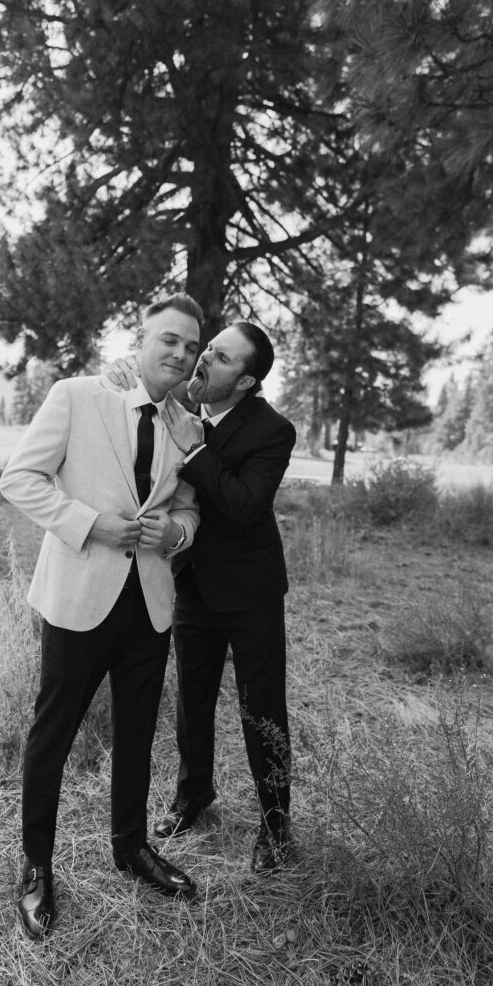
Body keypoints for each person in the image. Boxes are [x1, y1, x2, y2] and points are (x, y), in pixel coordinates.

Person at [0, 294, 204, 940]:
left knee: (138, 735)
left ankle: (130, 847)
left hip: (147, 604)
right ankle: (35, 867)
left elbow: (191, 510)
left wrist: (172, 531)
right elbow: (21, 478)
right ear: (139, 341)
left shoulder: (189, 428)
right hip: (77, 598)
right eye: (167, 339)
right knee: (51, 736)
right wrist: (91, 524)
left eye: (190, 347)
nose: (178, 353)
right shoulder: (77, 396)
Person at [104, 321, 296, 873]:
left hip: (251, 591)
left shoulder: (272, 431)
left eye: (220, 356)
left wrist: (194, 452)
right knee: (192, 698)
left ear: (246, 381)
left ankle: (276, 824)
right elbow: (130, 390)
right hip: (190, 585)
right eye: (206, 347)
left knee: (262, 709)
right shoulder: (178, 408)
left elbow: (242, 506)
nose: (203, 357)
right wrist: (119, 371)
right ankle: (193, 796)